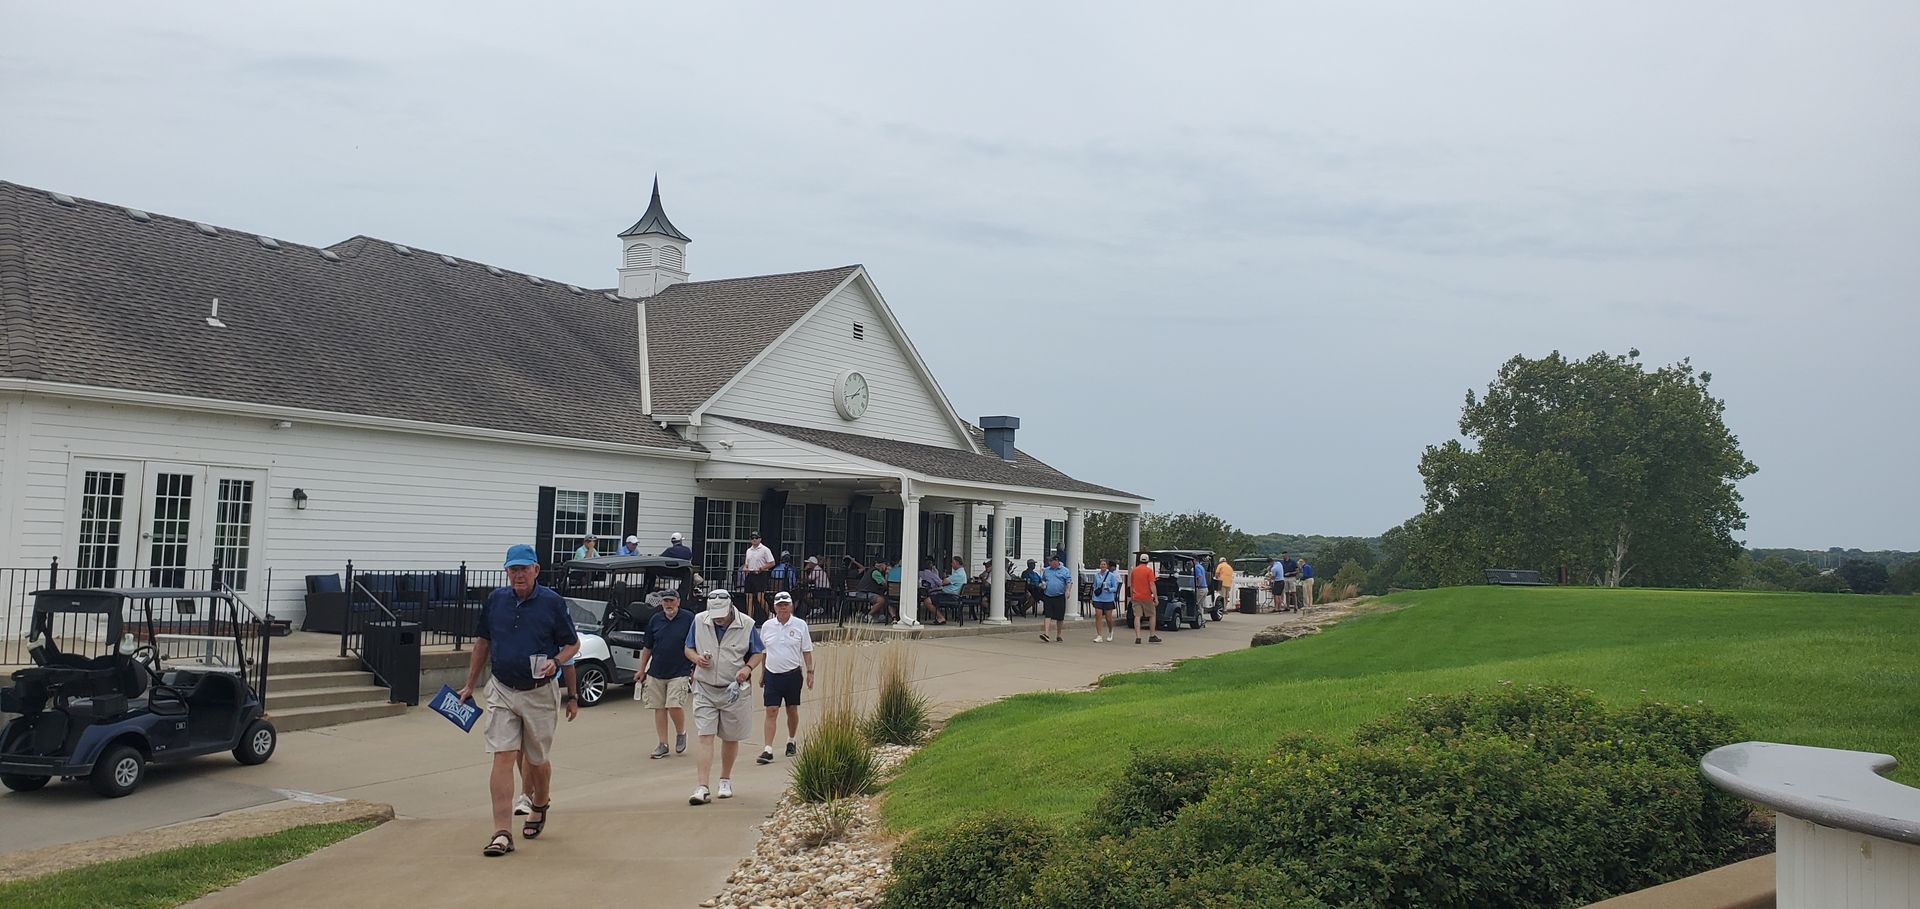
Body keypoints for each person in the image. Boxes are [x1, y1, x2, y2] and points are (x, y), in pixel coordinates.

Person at [457, 544, 580, 857]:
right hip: (502, 688)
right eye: (513, 569)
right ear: (506, 571)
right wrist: (470, 684)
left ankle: (540, 803)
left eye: (524, 568)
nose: (519, 574)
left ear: (536, 570)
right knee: (502, 755)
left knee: (536, 760)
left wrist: (556, 661)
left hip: (539, 692)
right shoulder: (497, 600)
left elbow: (572, 644)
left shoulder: (552, 602)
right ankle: (501, 833)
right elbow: (483, 642)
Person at [685, 590, 764, 805]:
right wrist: (696, 658)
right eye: (714, 613)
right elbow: (688, 647)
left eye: (721, 613)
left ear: (730, 607)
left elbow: (758, 652)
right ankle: (702, 786)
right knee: (705, 735)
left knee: (730, 737)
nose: (718, 617)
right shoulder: (699, 620)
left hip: (733, 688)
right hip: (705, 687)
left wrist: (747, 669)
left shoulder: (746, 624)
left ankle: (725, 779)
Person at [755, 591, 814, 765]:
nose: (783, 608)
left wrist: (810, 672)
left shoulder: (800, 625)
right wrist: (763, 673)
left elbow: (807, 651)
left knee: (791, 709)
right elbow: (764, 652)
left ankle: (791, 739)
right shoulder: (767, 626)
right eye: (779, 605)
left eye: (785, 605)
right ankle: (768, 749)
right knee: (771, 710)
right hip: (772, 674)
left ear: (791, 606)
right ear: (774, 607)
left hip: (793, 674)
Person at [636, 590, 695, 759]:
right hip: (656, 671)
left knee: (674, 705)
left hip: (680, 670)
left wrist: (695, 669)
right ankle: (663, 744)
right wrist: (641, 670)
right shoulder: (655, 619)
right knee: (659, 708)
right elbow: (647, 646)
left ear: (678, 601)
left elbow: (696, 642)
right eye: (665, 601)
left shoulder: (689, 618)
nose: (668, 604)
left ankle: (681, 733)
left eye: (671, 600)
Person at [1038, 554, 1072, 643]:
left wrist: (1068, 591)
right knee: (1048, 614)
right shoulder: (1047, 571)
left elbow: (1069, 581)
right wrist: (1042, 585)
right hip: (1048, 595)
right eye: (1049, 562)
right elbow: (1043, 580)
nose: (1050, 563)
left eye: (1052, 561)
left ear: (1056, 561)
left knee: (1059, 617)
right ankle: (1046, 634)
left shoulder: (1065, 570)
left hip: (1059, 595)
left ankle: (1058, 634)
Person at [1128, 552, 1161, 644]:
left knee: (1137, 616)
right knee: (1152, 615)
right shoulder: (1149, 571)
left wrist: (1132, 596)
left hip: (1136, 596)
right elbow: (1152, 584)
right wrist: (1156, 597)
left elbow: (1131, 585)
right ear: (1147, 561)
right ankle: (1152, 635)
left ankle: (1138, 637)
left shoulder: (1134, 571)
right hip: (1146, 597)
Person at [742, 533, 775, 621]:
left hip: (760, 575)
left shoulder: (765, 550)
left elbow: (771, 563)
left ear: (760, 539)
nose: (754, 540)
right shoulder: (749, 550)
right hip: (751, 574)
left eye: (756, 538)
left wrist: (762, 568)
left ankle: (769, 614)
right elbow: (746, 563)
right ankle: (749, 618)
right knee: (749, 597)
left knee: (760, 597)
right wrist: (745, 568)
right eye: (752, 538)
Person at [1089, 558, 1121, 642]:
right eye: (1101, 564)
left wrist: (1109, 589)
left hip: (1108, 599)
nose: (1102, 566)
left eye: (1104, 564)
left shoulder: (1111, 576)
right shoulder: (1096, 575)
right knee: (1098, 616)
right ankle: (1099, 635)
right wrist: (1092, 597)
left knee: (1108, 617)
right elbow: (1094, 586)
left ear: (1107, 566)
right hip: (1098, 598)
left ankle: (1110, 631)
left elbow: (1115, 587)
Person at [917, 558, 946, 625]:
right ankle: (940, 617)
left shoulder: (919, 573)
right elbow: (941, 583)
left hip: (920, 593)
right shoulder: (933, 575)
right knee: (929, 601)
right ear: (931, 567)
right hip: (931, 593)